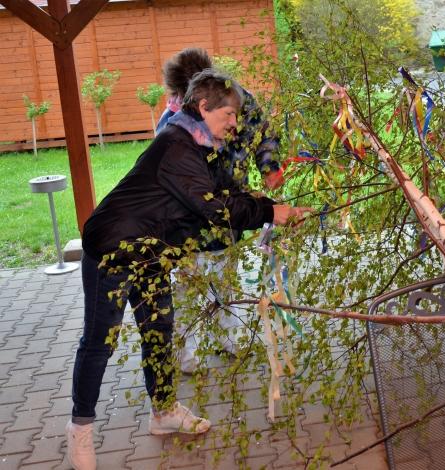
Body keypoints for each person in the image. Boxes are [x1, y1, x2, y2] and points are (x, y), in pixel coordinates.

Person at [66, 70, 309, 470]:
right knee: (99, 341)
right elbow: (214, 208)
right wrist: (270, 212)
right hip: (113, 248)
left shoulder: (201, 145)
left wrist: (264, 200)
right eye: (230, 113)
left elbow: (222, 193)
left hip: (151, 251)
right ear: (204, 107)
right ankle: (80, 431)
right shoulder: (177, 146)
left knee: (159, 331)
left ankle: (163, 415)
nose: (235, 122)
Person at [157, 48, 284, 373]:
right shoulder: (171, 120)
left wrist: (269, 166)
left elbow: (263, 132)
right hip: (189, 220)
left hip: (229, 213)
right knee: (189, 285)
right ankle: (188, 353)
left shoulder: (239, 100)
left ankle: (230, 338)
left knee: (225, 279)